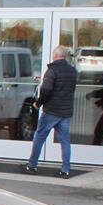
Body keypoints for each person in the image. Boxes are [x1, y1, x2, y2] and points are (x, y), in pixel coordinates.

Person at [23, 44, 78, 177]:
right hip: (65, 112)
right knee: (65, 141)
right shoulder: (72, 71)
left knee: (39, 137)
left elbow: (46, 90)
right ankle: (65, 169)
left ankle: (32, 165)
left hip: (51, 111)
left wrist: (38, 103)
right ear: (64, 56)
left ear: (55, 56)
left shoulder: (52, 71)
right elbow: (71, 90)